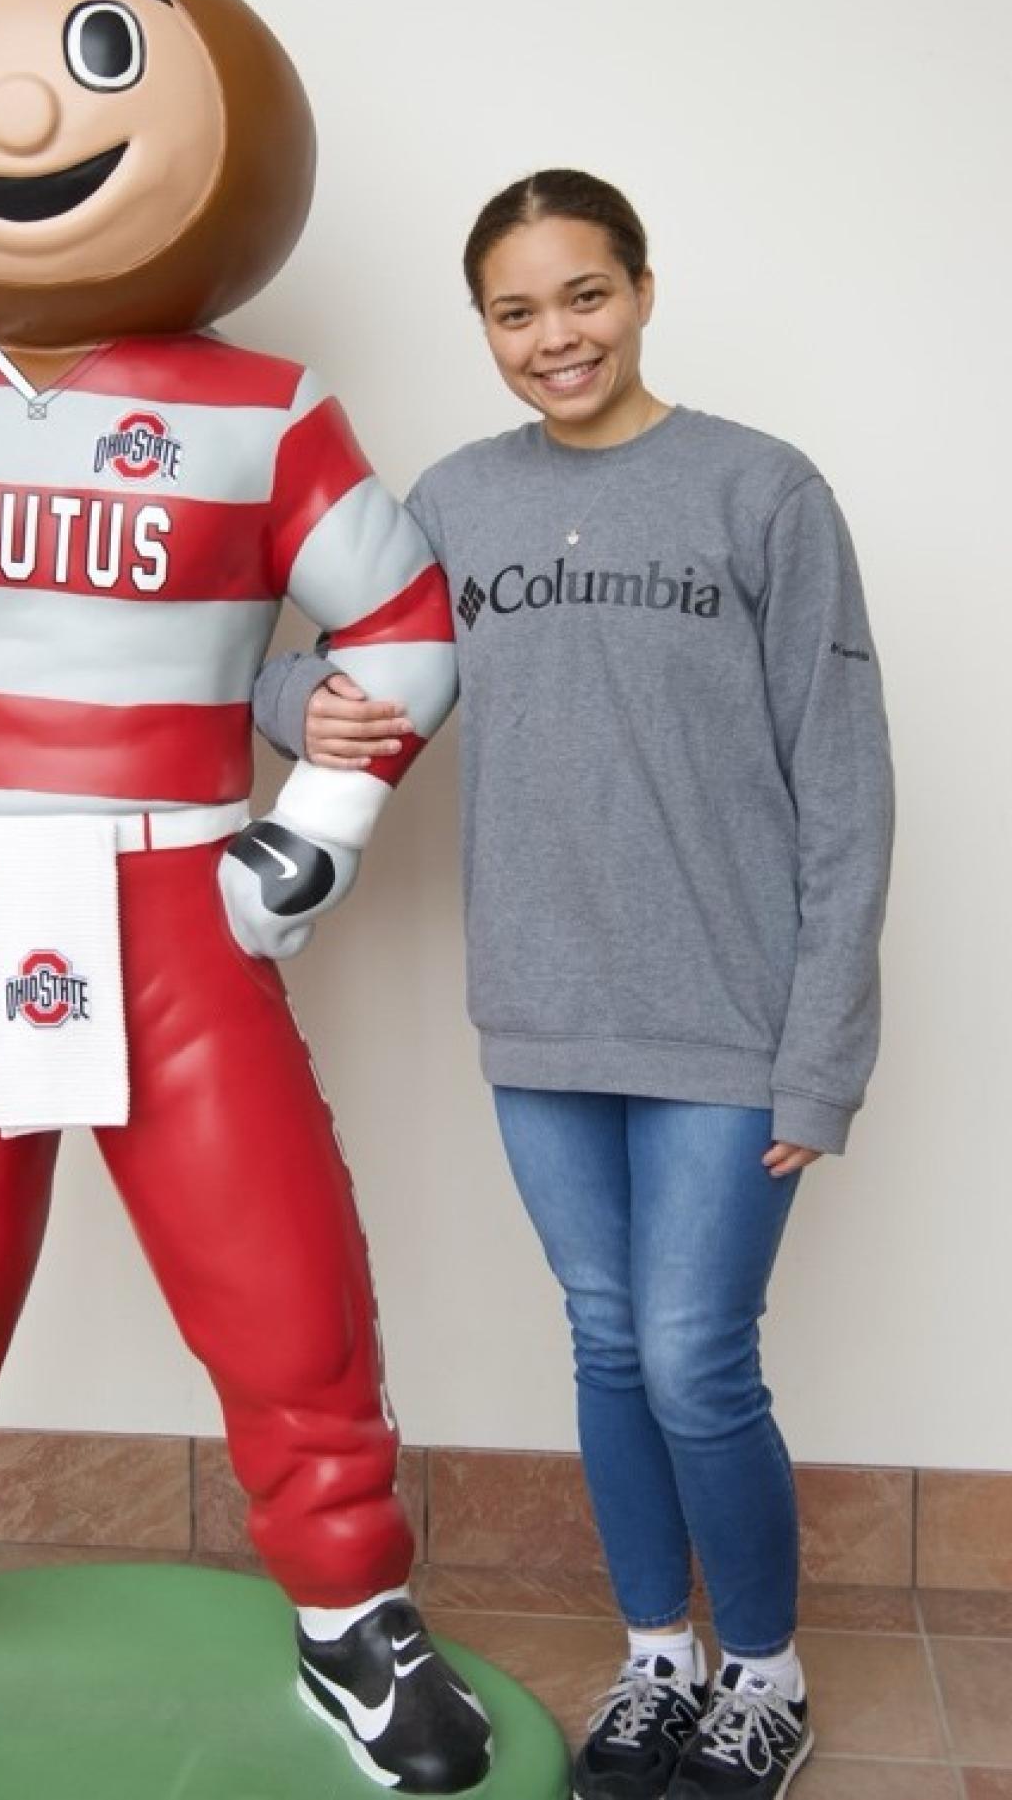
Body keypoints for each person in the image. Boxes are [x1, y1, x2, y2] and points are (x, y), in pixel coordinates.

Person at [0, 0, 492, 1790]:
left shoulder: (262, 404)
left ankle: (349, 1615)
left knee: (278, 1273)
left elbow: (405, 620)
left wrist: (308, 827)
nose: (13, 120)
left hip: (179, 896)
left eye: (93, 49)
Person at [253, 168, 895, 1800]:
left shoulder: (764, 490)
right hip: (540, 1015)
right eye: (518, 311)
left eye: (585, 295)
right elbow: (328, 666)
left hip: (728, 1018)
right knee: (607, 1344)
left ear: (644, 289)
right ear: (484, 326)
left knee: (696, 1357)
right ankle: (657, 1659)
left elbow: (846, 784)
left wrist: (820, 1056)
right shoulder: (458, 502)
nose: (558, 336)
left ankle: (764, 1671)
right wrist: (300, 710)